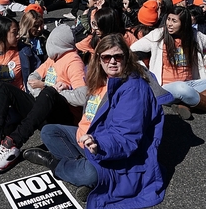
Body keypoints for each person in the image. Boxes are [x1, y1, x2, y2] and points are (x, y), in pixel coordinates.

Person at [25, 34, 166, 207]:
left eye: (118, 56)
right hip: (87, 138)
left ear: (126, 58)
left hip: (109, 151)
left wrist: (99, 144)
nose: (112, 61)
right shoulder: (98, 78)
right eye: (106, 57)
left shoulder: (133, 90)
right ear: (99, 59)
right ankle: (81, 170)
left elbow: (126, 136)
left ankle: (54, 163)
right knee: (50, 131)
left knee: (89, 174)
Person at [0, 24, 86, 172]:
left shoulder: (73, 61)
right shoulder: (54, 58)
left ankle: (12, 144)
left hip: (63, 118)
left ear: (59, 43)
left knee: (49, 92)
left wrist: (50, 89)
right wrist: (44, 86)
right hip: (44, 106)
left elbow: (82, 97)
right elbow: (32, 78)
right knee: (5, 88)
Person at [130, 6, 206, 117]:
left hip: (191, 83)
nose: (169, 24)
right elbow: (133, 49)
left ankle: (186, 104)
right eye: (168, 19)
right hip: (167, 88)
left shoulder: (194, 35)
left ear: (184, 23)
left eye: (174, 21)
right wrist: (144, 72)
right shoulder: (158, 34)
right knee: (182, 89)